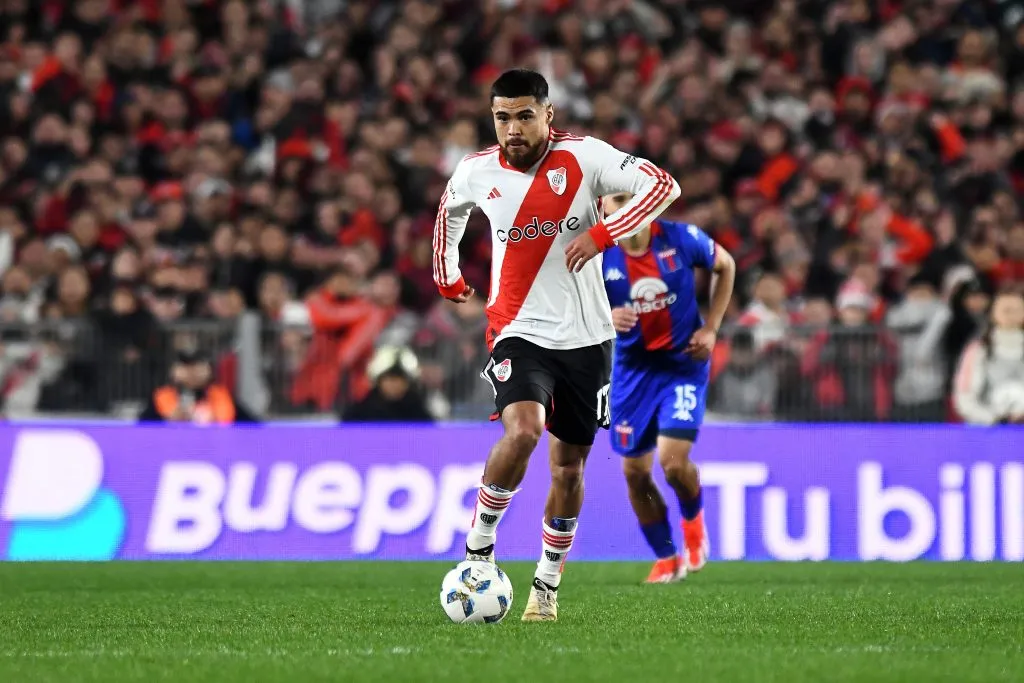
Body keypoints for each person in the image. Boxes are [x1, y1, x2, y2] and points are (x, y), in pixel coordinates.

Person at [433, 69, 680, 621]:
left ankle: (545, 586)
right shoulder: (476, 171)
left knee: (568, 469)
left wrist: (601, 235)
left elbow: (663, 186)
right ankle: (479, 547)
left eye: (524, 115)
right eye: (502, 117)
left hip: (589, 340)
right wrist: (446, 273)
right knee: (522, 429)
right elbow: (447, 213)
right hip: (517, 330)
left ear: (548, 114)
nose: (513, 128)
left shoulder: (586, 157)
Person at [600, 192, 736, 583]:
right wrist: (606, 315)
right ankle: (666, 557)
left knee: (673, 463)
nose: (624, 206)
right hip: (632, 372)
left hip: (682, 363)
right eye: (615, 200)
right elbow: (571, 302)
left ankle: (693, 523)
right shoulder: (597, 255)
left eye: (631, 197)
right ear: (603, 208)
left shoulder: (680, 237)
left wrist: (711, 328)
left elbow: (725, 265)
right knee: (634, 472)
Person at [953, 290, 1024, 425]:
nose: (1012, 315)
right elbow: (964, 397)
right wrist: (994, 419)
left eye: (1017, 310)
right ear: (993, 314)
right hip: (988, 431)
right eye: (1006, 310)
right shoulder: (977, 351)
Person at [139, 349, 259, 425]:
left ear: (209, 370)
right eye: (186, 366)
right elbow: (142, 428)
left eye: (198, 365)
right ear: (174, 371)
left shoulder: (221, 395)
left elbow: (253, 425)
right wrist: (168, 420)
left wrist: (213, 419)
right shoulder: (162, 396)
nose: (192, 371)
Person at [342, 346, 434, 423]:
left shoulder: (421, 417)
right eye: (389, 379)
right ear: (378, 382)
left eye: (400, 379)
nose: (395, 385)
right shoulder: (357, 415)